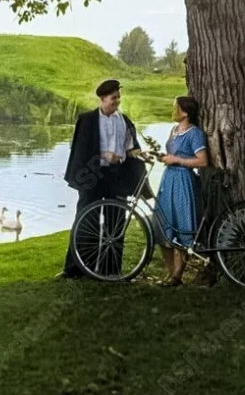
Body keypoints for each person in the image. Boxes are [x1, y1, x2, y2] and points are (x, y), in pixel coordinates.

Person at [57, 78, 147, 279]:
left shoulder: (124, 121)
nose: (117, 101)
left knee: (115, 222)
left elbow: (130, 147)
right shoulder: (87, 120)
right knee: (85, 219)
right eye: (113, 98)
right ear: (103, 99)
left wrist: (137, 153)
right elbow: (81, 150)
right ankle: (76, 268)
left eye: (118, 97)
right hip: (92, 176)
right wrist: (104, 155)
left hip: (116, 177)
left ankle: (111, 269)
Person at [154, 96, 208, 286]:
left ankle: (177, 275)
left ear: (185, 112)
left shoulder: (195, 134)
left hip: (183, 181)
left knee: (182, 224)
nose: (172, 110)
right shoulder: (174, 130)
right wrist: (162, 156)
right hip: (168, 179)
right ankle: (172, 273)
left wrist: (176, 160)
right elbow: (173, 154)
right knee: (162, 222)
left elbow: (202, 161)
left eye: (175, 107)